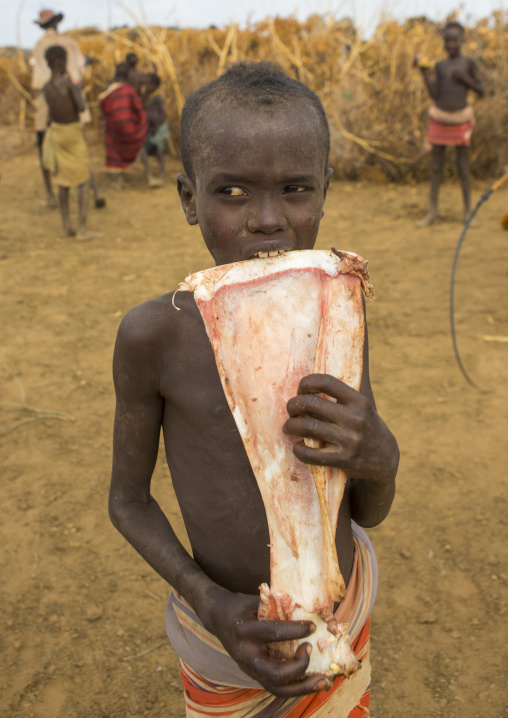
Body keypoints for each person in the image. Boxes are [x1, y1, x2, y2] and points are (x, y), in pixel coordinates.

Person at [109, 61, 399, 717]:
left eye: (295, 188)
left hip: (338, 621)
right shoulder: (154, 336)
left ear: (324, 191)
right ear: (190, 198)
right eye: (232, 192)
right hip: (226, 640)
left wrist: (382, 456)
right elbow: (126, 502)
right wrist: (210, 601)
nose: (267, 220)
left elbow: (370, 506)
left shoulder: (338, 317)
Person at [31, 9, 106, 209]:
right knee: (78, 149)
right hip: (72, 107)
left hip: (48, 106)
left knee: (45, 149)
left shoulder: (40, 46)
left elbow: (38, 80)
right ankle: (95, 190)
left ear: (42, 26)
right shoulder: (70, 43)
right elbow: (79, 72)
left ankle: (50, 195)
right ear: (56, 23)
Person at [415, 21, 484, 226]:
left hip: (461, 120)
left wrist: (465, 79)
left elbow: (481, 91)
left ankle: (468, 214)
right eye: (447, 40)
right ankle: (432, 213)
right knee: (436, 167)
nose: (450, 44)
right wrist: (423, 72)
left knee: (463, 167)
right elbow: (435, 94)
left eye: (454, 40)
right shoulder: (440, 65)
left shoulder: (468, 64)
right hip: (440, 119)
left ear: (462, 41)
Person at [42, 45, 101, 240]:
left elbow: (51, 113)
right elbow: (82, 107)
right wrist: (79, 87)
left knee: (62, 182)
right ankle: (81, 230)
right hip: (73, 134)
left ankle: (66, 226)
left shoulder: (47, 87)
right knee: (82, 182)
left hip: (57, 133)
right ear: (61, 61)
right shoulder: (68, 83)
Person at [98, 62, 148, 187]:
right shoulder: (128, 89)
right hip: (130, 129)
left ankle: (120, 181)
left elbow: (103, 109)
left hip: (114, 130)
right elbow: (138, 108)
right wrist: (141, 122)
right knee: (140, 147)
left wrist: (103, 125)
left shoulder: (109, 89)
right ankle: (150, 175)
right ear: (128, 75)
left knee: (116, 150)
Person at [140, 73, 170, 186]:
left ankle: (163, 170)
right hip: (150, 128)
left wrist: (156, 126)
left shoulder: (158, 97)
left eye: (149, 84)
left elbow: (162, 113)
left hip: (159, 128)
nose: (147, 86)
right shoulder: (148, 97)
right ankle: (155, 171)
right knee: (150, 148)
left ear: (155, 85)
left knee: (158, 149)